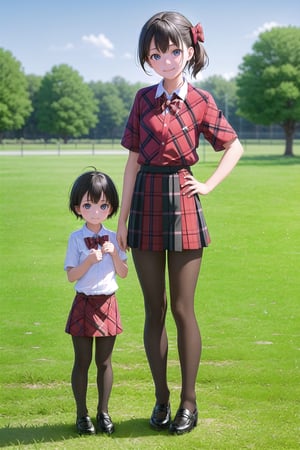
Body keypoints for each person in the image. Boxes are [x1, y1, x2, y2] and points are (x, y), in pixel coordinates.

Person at [117, 11, 244, 435]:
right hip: (146, 206)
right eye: (157, 53)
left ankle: (189, 403)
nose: (166, 60)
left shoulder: (201, 100)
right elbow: (133, 163)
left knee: (183, 309)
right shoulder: (142, 100)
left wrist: (206, 185)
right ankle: (161, 399)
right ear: (148, 59)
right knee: (153, 310)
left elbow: (234, 146)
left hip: (184, 203)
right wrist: (123, 220)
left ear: (189, 51)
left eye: (174, 51)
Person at [64, 169, 128, 436]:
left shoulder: (115, 237)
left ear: (110, 207)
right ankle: (82, 415)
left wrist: (114, 256)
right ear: (78, 207)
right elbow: (71, 276)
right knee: (82, 361)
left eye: (102, 205)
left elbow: (123, 273)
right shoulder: (76, 239)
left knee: (105, 362)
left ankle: (103, 412)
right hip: (84, 303)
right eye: (88, 205)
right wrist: (88, 261)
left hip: (108, 302)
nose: (95, 211)